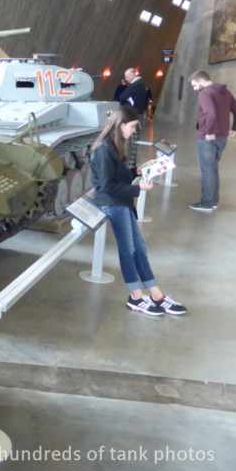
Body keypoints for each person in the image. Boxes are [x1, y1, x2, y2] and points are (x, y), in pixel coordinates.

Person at [90, 107, 186, 317]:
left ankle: (156, 294)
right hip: (112, 203)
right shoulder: (104, 149)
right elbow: (106, 187)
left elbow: (117, 176)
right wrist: (138, 188)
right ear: (120, 125)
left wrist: (137, 172)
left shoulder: (113, 146)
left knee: (139, 248)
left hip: (122, 202)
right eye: (132, 127)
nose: (133, 132)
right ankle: (135, 297)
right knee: (129, 249)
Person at [188, 70, 236, 212]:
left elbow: (211, 113)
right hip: (222, 137)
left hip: (208, 138)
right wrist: (235, 128)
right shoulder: (225, 92)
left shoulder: (205, 93)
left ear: (201, 81)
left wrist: (209, 132)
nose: (195, 89)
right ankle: (213, 201)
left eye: (195, 85)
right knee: (213, 169)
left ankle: (206, 203)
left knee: (207, 170)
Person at [117, 68, 148, 170]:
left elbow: (122, 97)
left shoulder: (136, 84)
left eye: (127, 76)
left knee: (131, 142)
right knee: (134, 141)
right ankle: (131, 164)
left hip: (134, 116)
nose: (126, 79)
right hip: (138, 114)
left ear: (133, 74)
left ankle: (130, 166)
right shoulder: (140, 83)